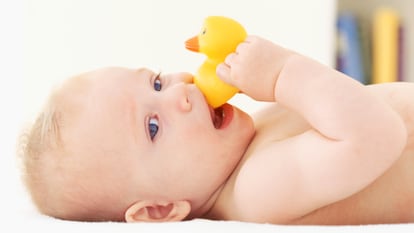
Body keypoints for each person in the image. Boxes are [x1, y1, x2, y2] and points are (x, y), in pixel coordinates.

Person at [19, 35, 414, 225]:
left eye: (156, 82)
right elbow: (379, 136)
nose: (181, 91)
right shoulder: (255, 189)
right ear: (160, 209)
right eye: (153, 126)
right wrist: (281, 73)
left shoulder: (244, 143)